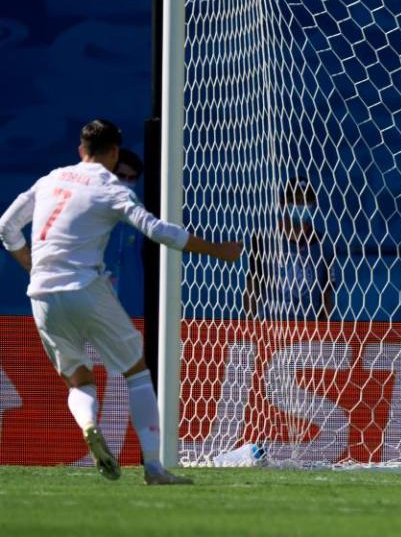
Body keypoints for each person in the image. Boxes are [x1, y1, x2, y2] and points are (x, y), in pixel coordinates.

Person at [0, 119, 242, 485]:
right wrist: (216, 250)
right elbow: (159, 231)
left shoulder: (50, 179)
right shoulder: (112, 188)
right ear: (113, 154)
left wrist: (34, 267)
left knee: (79, 379)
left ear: (81, 150)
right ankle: (154, 467)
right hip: (85, 286)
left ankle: (89, 425)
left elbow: (6, 226)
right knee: (136, 371)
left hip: (41, 294)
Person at [243, 177, 335, 321]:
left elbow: (327, 296)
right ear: (282, 203)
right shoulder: (263, 240)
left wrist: (322, 335)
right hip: (271, 329)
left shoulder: (323, 245)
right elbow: (251, 289)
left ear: (313, 204)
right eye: (296, 200)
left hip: (309, 333)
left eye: (306, 201)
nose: (301, 206)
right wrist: (252, 328)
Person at [105, 148, 145, 312]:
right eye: (121, 176)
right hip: (95, 299)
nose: (127, 182)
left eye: (132, 178)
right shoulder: (92, 208)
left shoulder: (140, 214)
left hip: (130, 304)